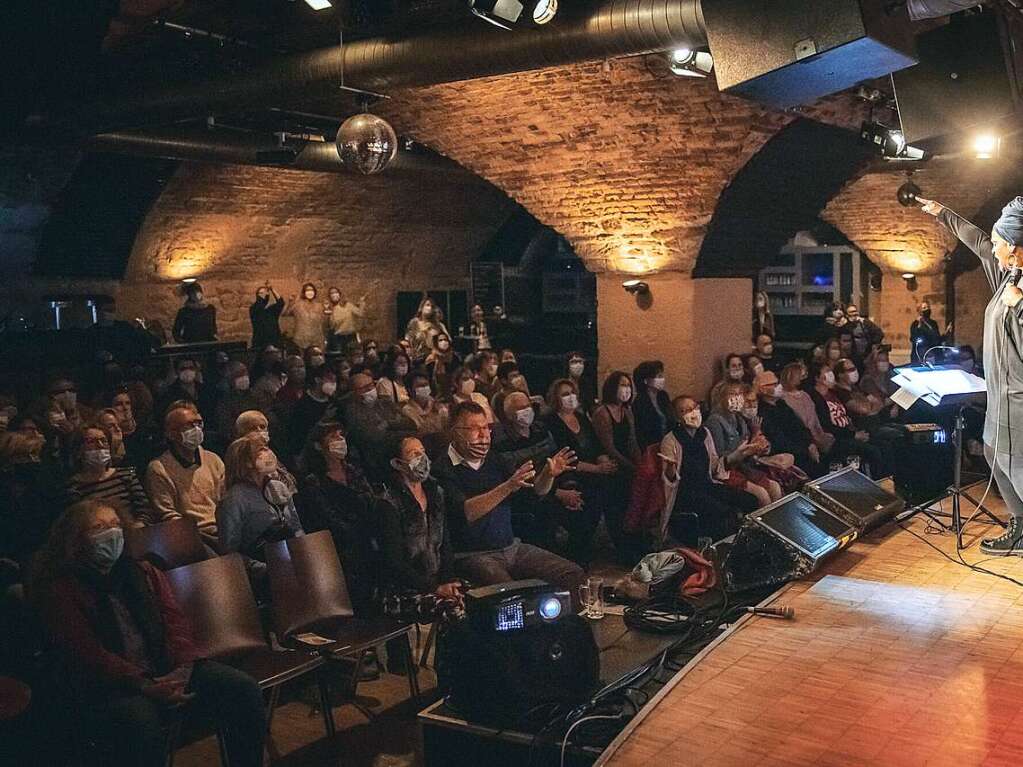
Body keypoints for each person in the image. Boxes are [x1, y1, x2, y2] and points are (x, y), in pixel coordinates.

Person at [32, 501, 266, 767]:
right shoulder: (62, 589)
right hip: (113, 685)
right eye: (98, 527)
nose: (111, 533)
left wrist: (182, 669)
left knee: (242, 689)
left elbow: (174, 622)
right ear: (76, 539)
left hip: (168, 666)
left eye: (115, 525)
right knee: (141, 721)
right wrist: (144, 684)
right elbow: (87, 653)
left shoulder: (142, 571)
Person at [919, 195, 1023, 554]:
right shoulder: (1010, 274)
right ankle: (1021, 526)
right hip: (1000, 397)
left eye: (999, 244)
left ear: (1014, 246)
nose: (993, 250)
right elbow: (979, 242)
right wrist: (944, 214)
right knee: (994, 455)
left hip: (1019, 401)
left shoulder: (1018, 290)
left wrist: (1021, 305)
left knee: (1019, 467)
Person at [432, 401, 584, 591]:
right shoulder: (442, 468)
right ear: (456, 431)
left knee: (572, 574)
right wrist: (507, 486)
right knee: (511, 594)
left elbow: (535, 492)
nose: (483, 435)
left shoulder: (494, 459)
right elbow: (466, 512)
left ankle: (563, 620)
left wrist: (548, 475)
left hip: (511, 547)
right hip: (473, 554)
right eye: (474, 429)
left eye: (486, 428)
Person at [294, 422, 382, 615]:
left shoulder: (354, 470)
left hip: (368, 541)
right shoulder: (314, 481)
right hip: (341, 550)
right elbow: (327, 520)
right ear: (318, 445)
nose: (340, 440)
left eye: (341, 435)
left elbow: (371, 502)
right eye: (333, 437)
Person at [660, 396, 758, 546]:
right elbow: (669, 480)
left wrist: (737, 454)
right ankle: (720, 549)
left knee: (750, 500)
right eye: (685, 410)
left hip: (707, 485)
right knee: (723, 512)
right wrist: (671, 469)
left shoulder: (704, 433)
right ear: (677, 417)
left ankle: (748, 544)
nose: (692, 413)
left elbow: (714, 467)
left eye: (694, 407)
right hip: (685, 493)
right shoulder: (670, 440)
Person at [545, 379, 619, 567]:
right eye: (564, 394)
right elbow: (564, 458)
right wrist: (597, 469)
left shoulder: (582, 417)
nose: (570, 397)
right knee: (587, 501)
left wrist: (603, 460)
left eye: (572, 393)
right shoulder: (550, 422)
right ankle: (577, 555)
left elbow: (596, 445)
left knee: (614, 488)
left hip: (592, 472)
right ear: (556, 398)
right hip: (569, 475)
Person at [380, 437, 460, 600]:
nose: (421, 457)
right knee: (455, 611)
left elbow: (445, 543)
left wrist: (448, 580)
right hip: (405, 588)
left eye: (422, 452)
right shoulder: (389, 502)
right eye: (413, 453)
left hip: (438, 580)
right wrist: (434, 588)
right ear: (398, 463)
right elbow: (394, 562)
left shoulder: (436, 492)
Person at [217, 439, 303, 583]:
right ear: (246, 462)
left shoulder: (278, 487)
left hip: (294, 560)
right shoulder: (234, 499)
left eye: (267, 448)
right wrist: (264, 569)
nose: (268, 453)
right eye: (261, 451)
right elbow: (229, 552)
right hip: (264, 570)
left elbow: (296, 526)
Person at [144, 404, 225, 547]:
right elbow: (167, 514)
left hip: (222, 529)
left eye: (198, 423)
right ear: (170, 433)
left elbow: (225, 500)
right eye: (188, 426)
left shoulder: (213, 459)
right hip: (193, 535)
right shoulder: (159, 468)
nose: (196, 429)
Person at [705, 383, 782, 507]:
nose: (737, 398)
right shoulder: (714, 422)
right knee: (762, 495)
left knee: (775, 487)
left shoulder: (739, 419)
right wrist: (743, 452)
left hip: (744, 467)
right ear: (721, 397)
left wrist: (757, 448)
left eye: (739, 394)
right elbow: (718, 459)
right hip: (727, 472)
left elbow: (747, 446)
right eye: (732, 394)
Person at [808, 361, 888, 477]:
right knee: (873, 451)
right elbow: (826, 425)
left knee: (884, 445)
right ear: (817, 377)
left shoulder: (833, 393)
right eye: (827, 372)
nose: (831, 374)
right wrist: (853, 435)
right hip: (837, 438)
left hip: (850, 430)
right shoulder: (815, 398)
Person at [63, 426, 154, 528]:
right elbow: (79, 522)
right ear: (78, 450)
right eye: (91, 442)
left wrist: (137, 527)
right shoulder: (74, 486)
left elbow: (146, 509)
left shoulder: (126, 475)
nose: (100, 445)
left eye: (104, 440)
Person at [344, 373, 417, 481]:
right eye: (364, 388)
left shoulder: (385, 402)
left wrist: (388, 424)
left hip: (404, 452)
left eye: (371, 385)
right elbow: (376, 437)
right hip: (379, 460)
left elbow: (411, 424)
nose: (370, 389)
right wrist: (398, 426)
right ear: (354, 393)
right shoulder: (353, 413)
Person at [754, 371, 822, 477]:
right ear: (763, 389)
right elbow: (779, 441)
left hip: (803, 448)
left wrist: (810, 443)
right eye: (774, 384)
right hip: (789, 454)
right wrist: (804, 450)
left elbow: (799, 425)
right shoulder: (761, 412)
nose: (779, 386)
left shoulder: (781, 403)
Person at [779, 362, 835, 457]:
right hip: (801, 440)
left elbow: (815, 420)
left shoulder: (806, 395)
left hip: (818, 435)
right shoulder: (782, 399)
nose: (804, 378)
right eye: (801, 375)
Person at [285, 365, 339, 463]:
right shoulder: (302, 405)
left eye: (334, 381)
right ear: (318, 380)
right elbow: (297, 433)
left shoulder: (334, 402)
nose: (333, 384)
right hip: (308, 454)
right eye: (330, 379)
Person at [212, 361, 257, 452]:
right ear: (229, 378)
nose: (243, 377)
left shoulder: (255, 395)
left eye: (245, 373)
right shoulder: (224, 402)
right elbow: (225, 429)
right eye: (238, 374)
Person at [402, 372, 449, 443]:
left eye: (426, 385)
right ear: (410, 390)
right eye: (420, 386)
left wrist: (442, 410)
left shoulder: (435, 403)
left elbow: (446, 425)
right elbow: (421, 432)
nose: (424, 388)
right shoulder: (407, 410)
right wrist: (428, 411)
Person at [405, 297, 450, 362]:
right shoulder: (414, 323)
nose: (430, 308)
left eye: (432, 306)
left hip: (436, 357)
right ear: (421, 307)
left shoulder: (439, 325)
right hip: (418, 358)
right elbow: (408, 339)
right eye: (427, 305)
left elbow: (447, 340)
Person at [285, 282, 326, 352]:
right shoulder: (298, 305)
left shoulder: (320, 306)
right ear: (304, 292)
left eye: (312, 290)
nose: (310, 292)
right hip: (300, 339)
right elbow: (286, 313)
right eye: (307, 290)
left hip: (316, 339)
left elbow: (322, 322)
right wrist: (290, 302)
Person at [326, 287, 367, 353]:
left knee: (354, 355)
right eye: (331, 293)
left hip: (351, 337)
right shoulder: (332, 309)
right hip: (338, 339)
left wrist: (361, 303)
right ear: (329, 297)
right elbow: (332, 326)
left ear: (340, 294)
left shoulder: (349, 305)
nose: (334, 295)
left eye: (336, 292)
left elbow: (360, 314)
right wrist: (330, 315)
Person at [249, 283, 285, 351]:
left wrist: (272, 289)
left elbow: (281, 302)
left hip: (275, 342)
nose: (263, 295)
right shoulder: (253, 308)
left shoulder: (271, 310)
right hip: (260, 343)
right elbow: (260, 303)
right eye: (261, 293)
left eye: (264, 293)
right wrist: (265, 292)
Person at [425, 332, 459, 398]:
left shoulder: (454, 358)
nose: (443, 342)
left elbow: (457, 374)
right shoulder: (431, 359)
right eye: (440, 340)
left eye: (445, 340)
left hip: (452, 391)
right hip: (435, 392)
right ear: (436, 343)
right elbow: (429, 377)